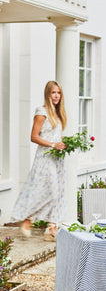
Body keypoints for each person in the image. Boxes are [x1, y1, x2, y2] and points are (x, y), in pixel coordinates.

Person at [11, 81, 67, 241]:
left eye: (58, 93)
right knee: (48, 190)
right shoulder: (42, 112)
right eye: (53, 93)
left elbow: (56, 136)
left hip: (57, 158)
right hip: (44, 157)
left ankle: (52, 228)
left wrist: (63, 144)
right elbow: (34, 136)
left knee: (60, 192)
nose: (56, 96)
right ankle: (27, 218)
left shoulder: (59, 113)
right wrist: (52, 145)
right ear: (48, 94)